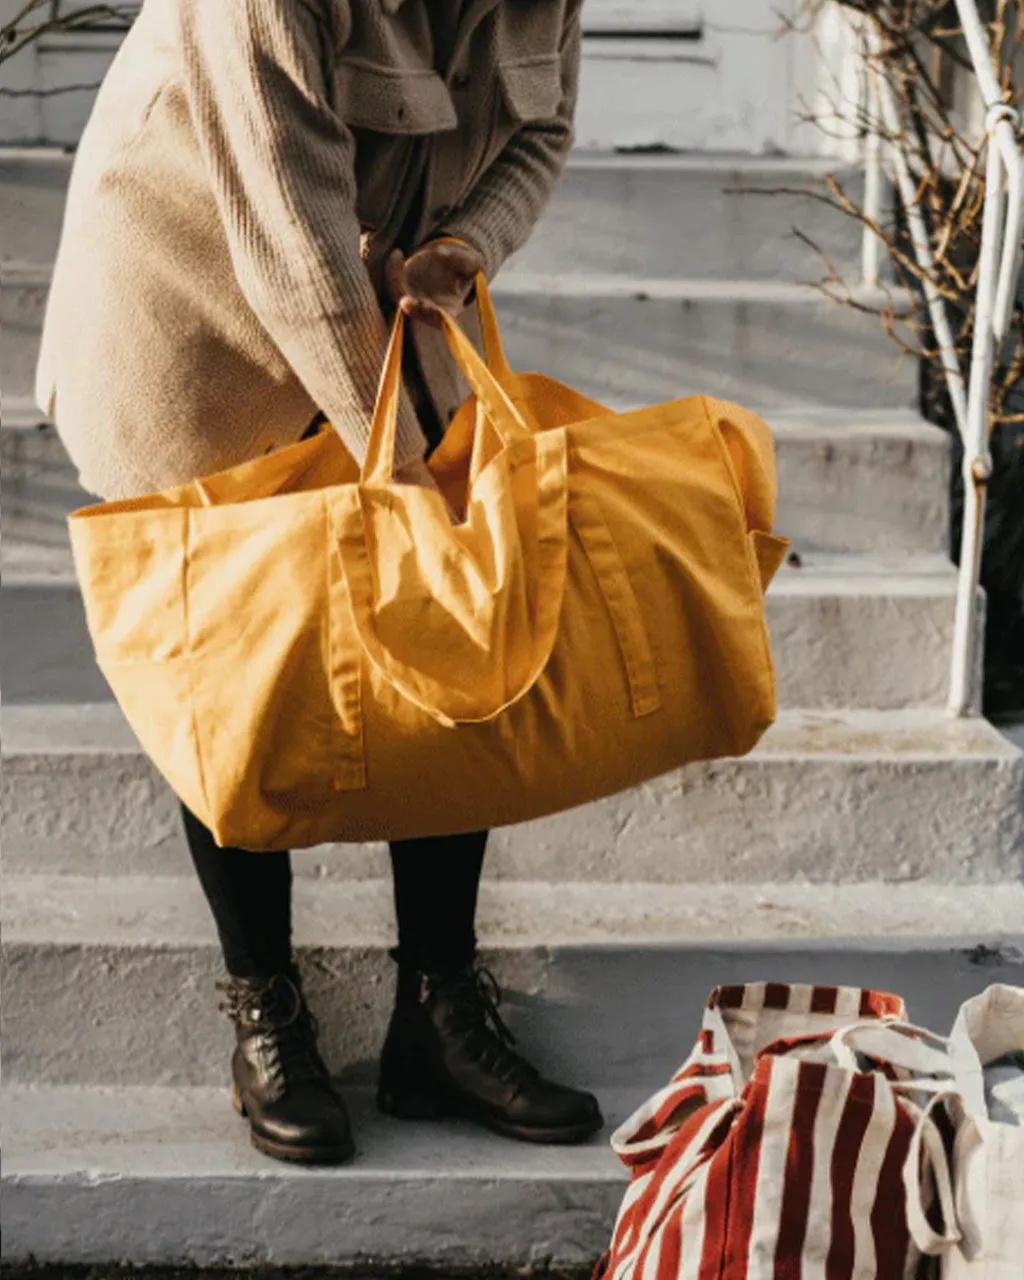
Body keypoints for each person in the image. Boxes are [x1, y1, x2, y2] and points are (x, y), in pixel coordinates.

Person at [36, 0, 602, 1166]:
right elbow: (287, 244)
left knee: (461, 638)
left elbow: (539, 135)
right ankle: (268, 1017)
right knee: (236, 666)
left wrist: (467, 248)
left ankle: (437, 1017)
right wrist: (406, 479)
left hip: (387, 307)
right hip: (195, 317)